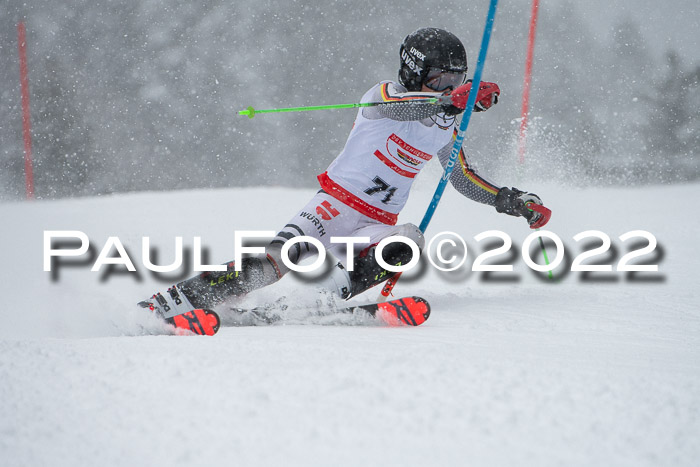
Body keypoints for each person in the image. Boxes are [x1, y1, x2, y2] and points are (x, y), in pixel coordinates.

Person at [141, 27, 550, 317]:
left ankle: (311, 304)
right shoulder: (384, 94)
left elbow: (461, 177)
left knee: (408, 241)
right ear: (415, 72)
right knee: (273, 263)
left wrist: (508, 199)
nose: (448, 86)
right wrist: (453, 100)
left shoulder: (447, 126)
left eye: (456, 79)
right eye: (440, 78)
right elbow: (401, 107)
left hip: (372, 226)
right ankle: (181, 300)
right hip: (332, 208)